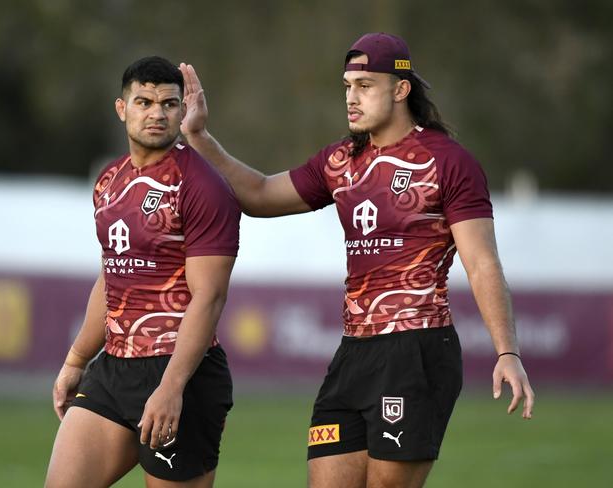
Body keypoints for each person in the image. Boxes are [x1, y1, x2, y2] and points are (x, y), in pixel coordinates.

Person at [179, 32, 535, 488]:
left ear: (401, 89)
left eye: (365, 85)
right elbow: (259, 194)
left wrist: (507, 351)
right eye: (347, 86)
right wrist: (200, 137)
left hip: (416, 350)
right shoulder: (340, 161)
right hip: (353, 354)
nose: (351, 97)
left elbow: (483, 264)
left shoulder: (448, 162)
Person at [45, 56, 241, 488]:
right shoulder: (109, 182)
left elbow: (209, 298)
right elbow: (111, 278)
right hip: (114, 369)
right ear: (122, 108)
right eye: (144, 101)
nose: (157, 113)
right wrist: (76, 360)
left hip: (182, 373)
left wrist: (172, 389)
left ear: (181, 111)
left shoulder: (203, 187)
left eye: (169, 104)